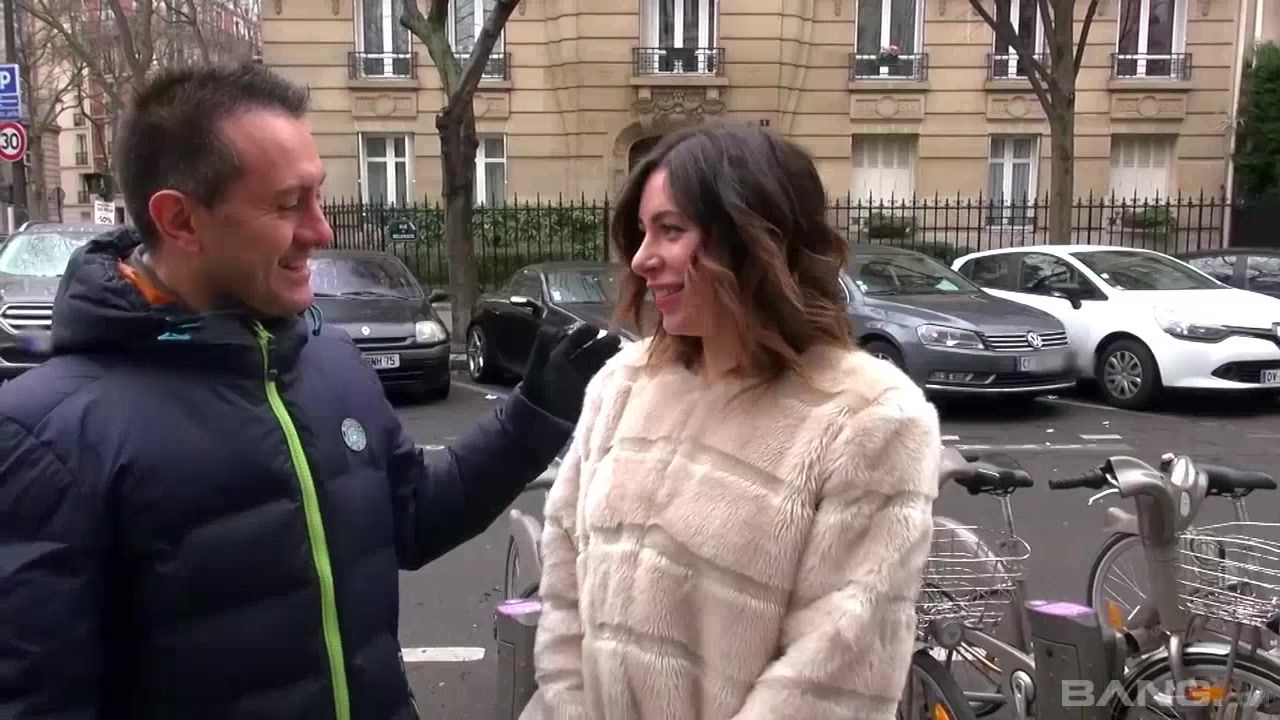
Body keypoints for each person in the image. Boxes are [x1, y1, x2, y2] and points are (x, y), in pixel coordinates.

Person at [0, 63, 620, 719]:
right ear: (180, 220)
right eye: (288, 204)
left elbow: (413, 518)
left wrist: (533, 415)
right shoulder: (45, 436)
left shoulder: (328, 362)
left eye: (318, 196)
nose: (322, 231)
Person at [522, 123, 942, 719]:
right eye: (642, 232)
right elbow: (564, 587)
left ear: (755, 241)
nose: (641, 259)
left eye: (671, 230)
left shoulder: (866, 417)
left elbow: (834, 665)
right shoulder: (623, 384)